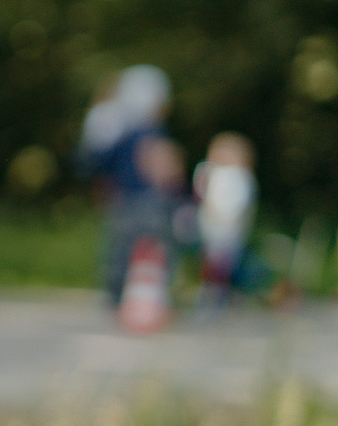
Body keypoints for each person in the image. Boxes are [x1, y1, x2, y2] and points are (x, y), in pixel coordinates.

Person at [79, 64, 172, 304]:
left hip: (125, 197)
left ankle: (119, 295)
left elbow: (102, 164)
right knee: (149, 246)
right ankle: (147, 294)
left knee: (121, 249)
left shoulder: (123, 133)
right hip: (144, 198)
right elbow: (159, 168)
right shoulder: (150, 131)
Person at [193, 132, 260, 306]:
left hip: (228, 230)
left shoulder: (241, 177)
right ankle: (212, 292)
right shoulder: (214, 173)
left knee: (224, 263)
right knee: (211, 262)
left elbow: (235, 205)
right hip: (211, 227)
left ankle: (220, 295)